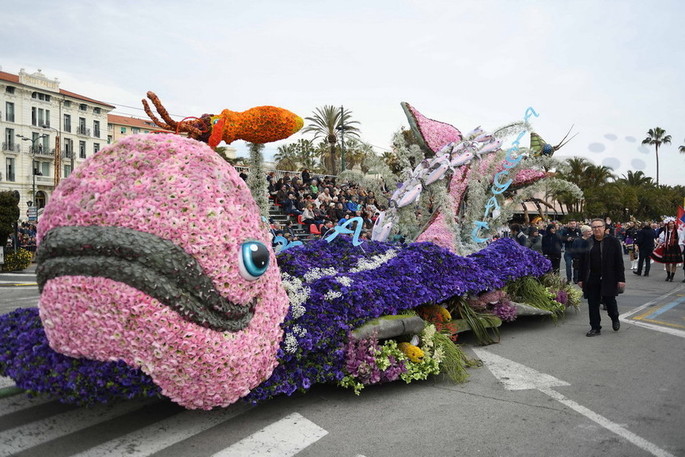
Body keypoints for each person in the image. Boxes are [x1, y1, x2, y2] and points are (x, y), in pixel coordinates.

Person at [578, 218, 625, 337]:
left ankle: (615, 317)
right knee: (592, 304)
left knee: (610, 302)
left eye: (599, 226)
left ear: (604, 228)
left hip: (609, 277)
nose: (596, 229)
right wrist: (580, 279)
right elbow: (582, 262)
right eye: (594, 227)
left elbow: (619, 262)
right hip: (592, 278)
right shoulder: (587, 242)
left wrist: (621, 279)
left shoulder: (613, 242)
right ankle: (595, 327)